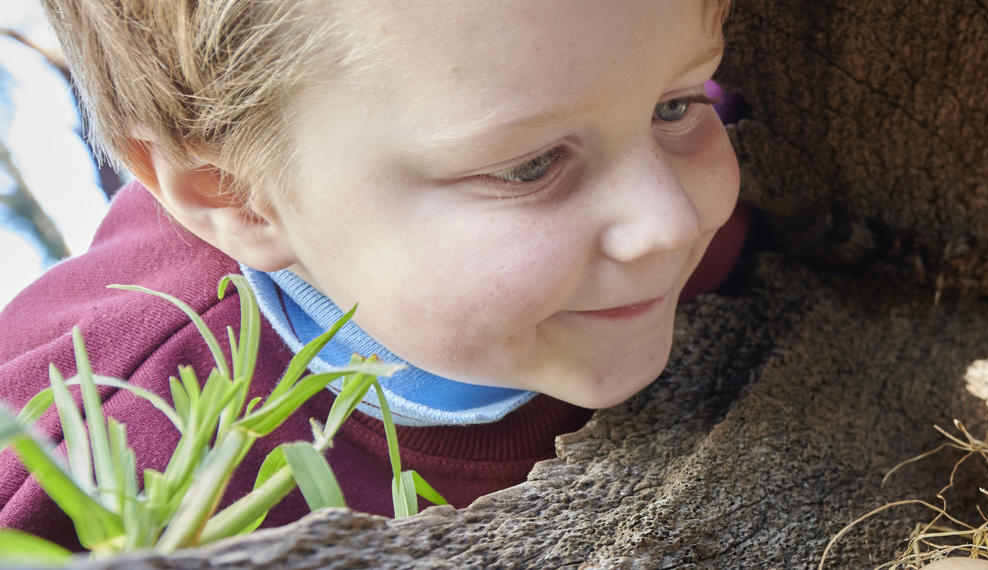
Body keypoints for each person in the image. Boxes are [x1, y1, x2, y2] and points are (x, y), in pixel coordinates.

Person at [0, 0, 748, 549]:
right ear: (236, 198)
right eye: (529, 167)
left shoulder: (612, 89)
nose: (671, 222)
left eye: (675, 105)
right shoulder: (92, 447)